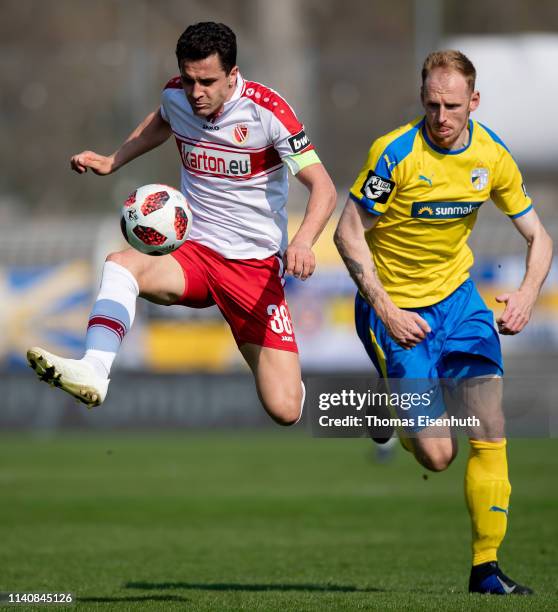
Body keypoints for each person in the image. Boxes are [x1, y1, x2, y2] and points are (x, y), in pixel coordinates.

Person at [27, 22, 336, 426]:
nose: (196, 93)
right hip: (193, 253)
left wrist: (303, 242)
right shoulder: (177, 97)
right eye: (189, 80)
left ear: (233, 74)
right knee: (121, 265)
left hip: (253, 268)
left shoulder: (268, 113)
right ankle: (95, 369)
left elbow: (324, 188)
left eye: (207, 82)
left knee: (285, 408)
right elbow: (161, 120)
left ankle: (325, 394)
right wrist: (113, 159)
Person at [334, 50, 552, 594]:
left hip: (461, 305)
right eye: (431, 104)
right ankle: (390, 400)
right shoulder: (396, 154)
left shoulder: (491, 155)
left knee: (489, 428)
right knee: (437, 454)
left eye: (452, 105)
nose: (441, 116)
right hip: (396, 311)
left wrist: (528, 293)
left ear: (473, 101)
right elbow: (347, 233)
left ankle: (486, 570)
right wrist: (386, 309)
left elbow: (539, 236)